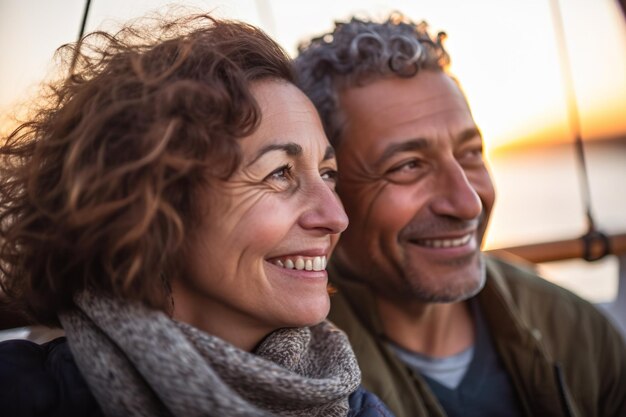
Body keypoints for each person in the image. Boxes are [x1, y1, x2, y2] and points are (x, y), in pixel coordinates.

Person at [0, 13, 395, 417]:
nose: (335, 216)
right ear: (151, 204)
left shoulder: (357, 408)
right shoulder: (19, 393)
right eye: (279, 173)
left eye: (327, 174)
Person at [295, 13, 626, 417]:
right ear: (328, 187)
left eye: (470, 155)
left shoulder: (577, 330)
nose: (468, 203)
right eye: (408, 165)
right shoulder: (298, 380)